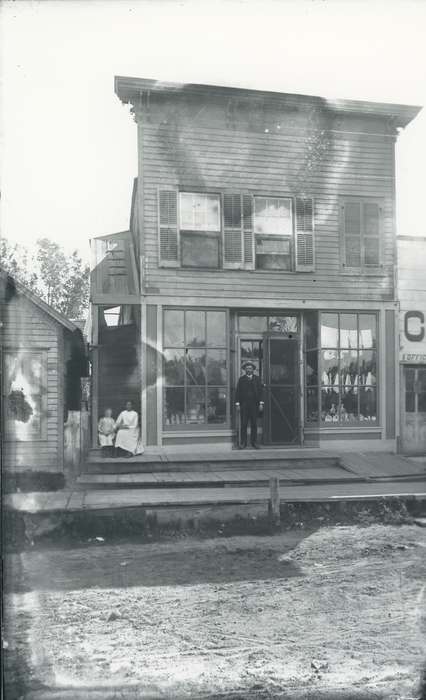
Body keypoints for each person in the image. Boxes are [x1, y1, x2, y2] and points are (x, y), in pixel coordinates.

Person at [235, 361, 264, 449]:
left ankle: (254, 442)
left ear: (253, 370)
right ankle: (243, 442)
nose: (249, 370)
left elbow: (260, 392)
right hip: (244, 405)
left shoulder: (257, 379)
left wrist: (261, 403)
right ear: (245, 370)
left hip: (254, 405)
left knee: (254, 424)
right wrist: (237, 404)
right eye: (247, 368)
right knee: (243, 424)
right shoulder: (241, 379)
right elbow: (237, 392)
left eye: (250, 368)